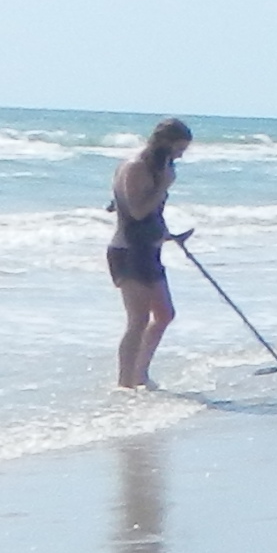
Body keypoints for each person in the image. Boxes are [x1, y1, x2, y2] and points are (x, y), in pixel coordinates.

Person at [107, 117, 190, 389]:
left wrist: (167, 234)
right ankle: (125, 384)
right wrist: (163, 185)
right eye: (178, 149)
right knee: (138, 320)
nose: (180, 156)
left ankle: (140, 374)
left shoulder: (157, 167)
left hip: (149, 250)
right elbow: (137, 212)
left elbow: (152, 214)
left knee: (165, 314)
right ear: (164, 142)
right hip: (128, 251)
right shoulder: (136, 167)